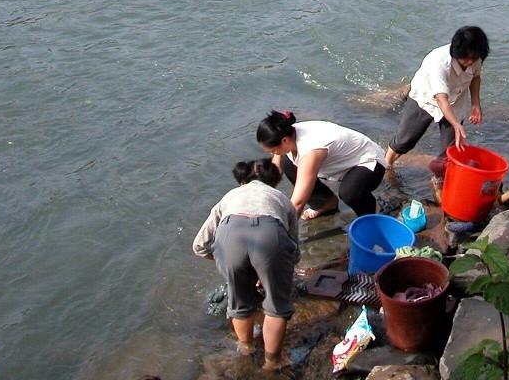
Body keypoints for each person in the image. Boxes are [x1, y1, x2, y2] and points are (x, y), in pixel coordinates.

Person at [192, 158, 298, 370]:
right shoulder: (281, 198)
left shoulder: (229, 196)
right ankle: (272, 362)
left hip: (230, 234)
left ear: (242, 180)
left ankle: (246, 348)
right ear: (273, 181)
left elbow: (199, 246)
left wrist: (223, 260)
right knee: (276, 308)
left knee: (239, 303)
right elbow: (293, 249)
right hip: (270, 234)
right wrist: (267, 271)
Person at [385, 25, 489, 167]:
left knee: (451, 149)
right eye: (466, 59)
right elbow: (441, 99)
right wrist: (456, 124)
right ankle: (386, 164)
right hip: (426, 98)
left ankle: (438, 179)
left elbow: (476, 77)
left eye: (474, 58)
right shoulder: (439, 63)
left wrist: (475, 104)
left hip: (456, 100)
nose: (470, 62)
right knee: (405, 140)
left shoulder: (476, 58)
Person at [257, 111, 387, 220]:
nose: (273, 154)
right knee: (287, 162)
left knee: (349, 193)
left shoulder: (310, 150)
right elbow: (275, 169)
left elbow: (298, 203)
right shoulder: (286, 131)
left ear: (284, 140)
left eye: (273, 151)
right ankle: (325, 203)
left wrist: (283, 231)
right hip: (341, 163)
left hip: (369, 162)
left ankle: (372, 215)